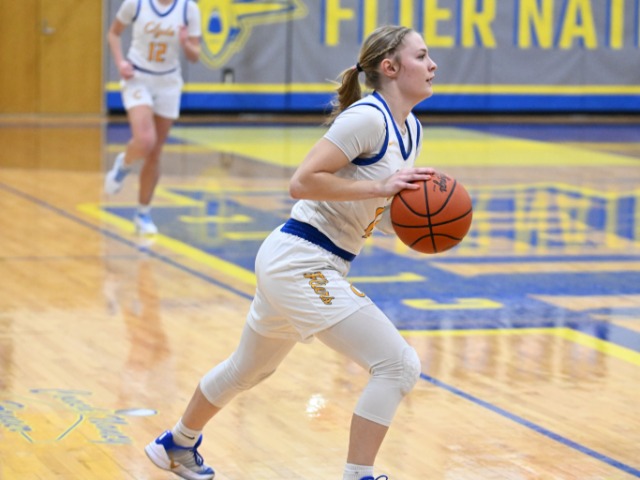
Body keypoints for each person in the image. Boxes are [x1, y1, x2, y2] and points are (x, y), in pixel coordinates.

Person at [144, 25, 438, 480]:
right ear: (391, 67)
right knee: (398, 365)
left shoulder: (411, 129)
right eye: (421, 56)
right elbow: (301, 182)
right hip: (302, 259)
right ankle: (358, 474)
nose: (432, 64)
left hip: (309, 260)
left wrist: (422, 223)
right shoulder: (367, 118)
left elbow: (377, 204)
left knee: (248, 370)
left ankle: (176, 444)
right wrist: (381, 186)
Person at [104, 0, 201, 235]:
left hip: (168, 82)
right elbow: (113, 33)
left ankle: (143, 213)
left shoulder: (188, 8)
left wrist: (186, 43)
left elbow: (195, 55)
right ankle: (124, 164)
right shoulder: (136, 4)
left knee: (155, 152)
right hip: (138, 77)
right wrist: (120, 63)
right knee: (145, 140)